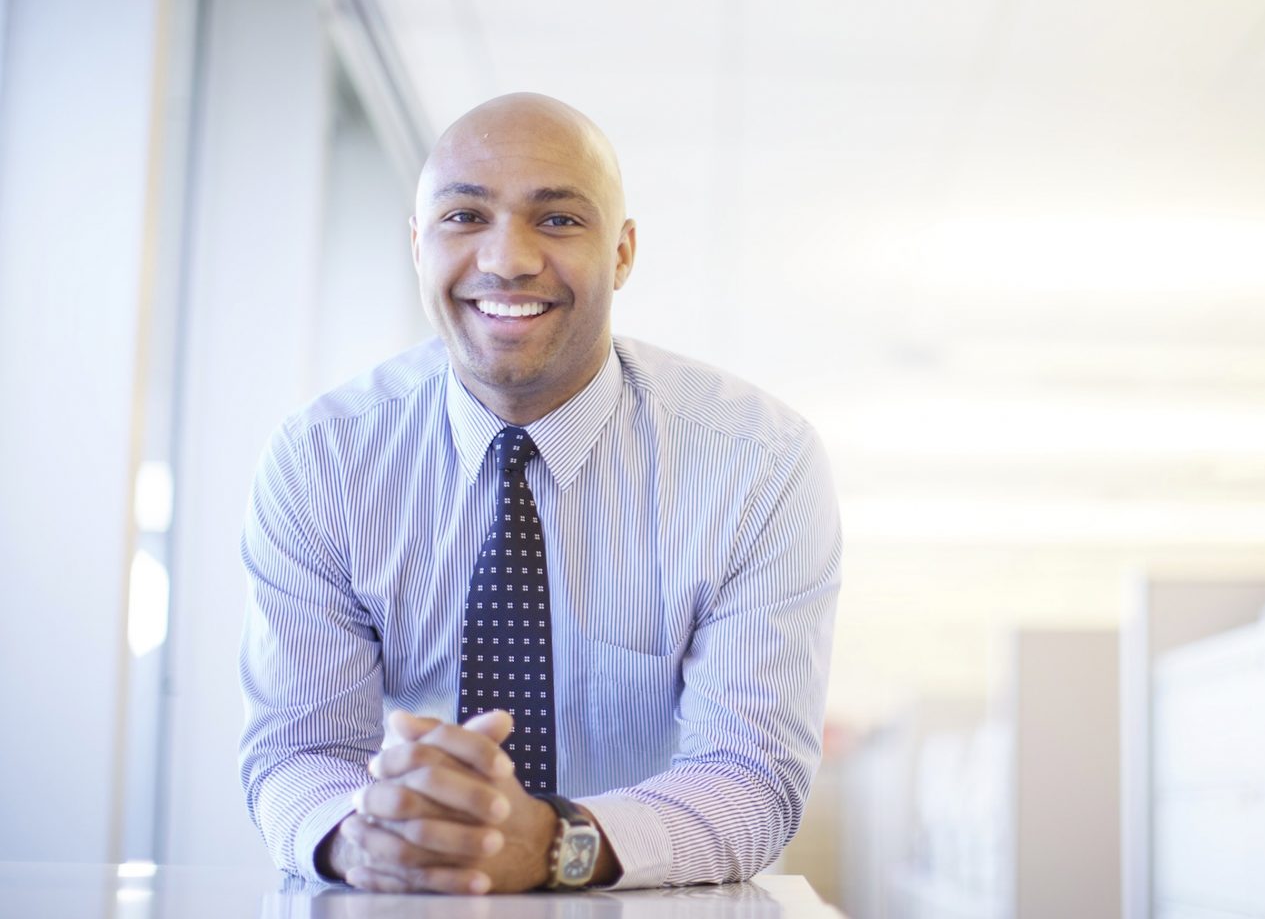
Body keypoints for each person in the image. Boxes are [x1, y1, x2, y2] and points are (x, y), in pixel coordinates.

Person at [239, 93, 841, 894]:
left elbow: (750, 776)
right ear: (418, 246)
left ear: (623, 253)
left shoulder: (758, 466)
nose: (507, 259)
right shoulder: (324, 463)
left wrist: (554, 844)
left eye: (558, 220)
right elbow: (298, 752)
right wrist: (363, 840)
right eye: (464, 217)